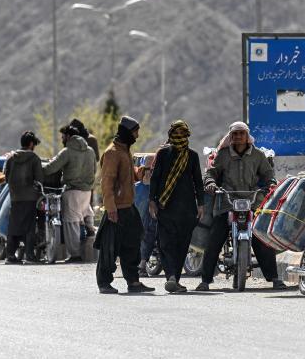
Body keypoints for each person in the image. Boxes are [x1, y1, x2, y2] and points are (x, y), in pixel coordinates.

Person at [195, 121, 286, 291]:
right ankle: (205, 281)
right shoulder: (222, 155)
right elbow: (211, 173)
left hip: (251, 201)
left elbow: (268, 174)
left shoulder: (258, 155)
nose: (238, 137)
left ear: (247, 136)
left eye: (241, 133)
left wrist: (271, 184)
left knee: (261, 238)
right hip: (227, 202)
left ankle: (274, 278)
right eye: (234, 134)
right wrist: (210, 183)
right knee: (215, 239)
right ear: (230, 137)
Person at [94, 116, 154, 294]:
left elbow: (127, 175)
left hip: (129, 207)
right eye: (135, 132)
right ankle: (104, 283)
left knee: (132, 245)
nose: (137, 135)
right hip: (116, 209)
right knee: (109, 249)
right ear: (127, 132)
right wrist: (111, 208)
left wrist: (142, 172)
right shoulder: (112, 153)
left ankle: (133, 282)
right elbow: (107, 183)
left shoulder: (124, 151)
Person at [149, 120, 204, 293]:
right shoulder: (164, 154)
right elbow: (155, 178)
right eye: (177, 135)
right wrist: (152, 200)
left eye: (182, 135)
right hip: (169, 207)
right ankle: (172, 277)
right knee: (169, 244)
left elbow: (198, 182)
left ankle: (173, 278)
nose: (179, 138)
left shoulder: (192, 156)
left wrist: (201, 204)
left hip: (181, 209)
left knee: (176, 245)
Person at [43, 125, 96, 262]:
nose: (61, 139)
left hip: (72, 191)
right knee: (85, 215)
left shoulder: (67, 152)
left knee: (71, 223)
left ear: (68, 136)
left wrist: (38, 167)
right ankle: (91, 233)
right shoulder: (90, 151)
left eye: (62, 136)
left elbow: (51, 168)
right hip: (87, 192)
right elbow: (94, 169)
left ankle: (75, 254)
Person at [3, 131, 44, 265]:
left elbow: (6, 176)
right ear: (31, 144)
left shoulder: (10, 158)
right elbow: (39, 179)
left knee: (14, 225)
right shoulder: (34, 158)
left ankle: (10, 255)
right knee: (29, 226)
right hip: (30, 197)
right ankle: (30, 255)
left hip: (15, 196)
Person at [69, 118, 99, 237]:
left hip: (83, 177)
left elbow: (95, 158)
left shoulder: (89, 140)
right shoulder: (90, 139)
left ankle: (86, 228)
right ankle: (87, 228)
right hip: (87, 177)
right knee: (86, 203)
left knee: (83, 204)